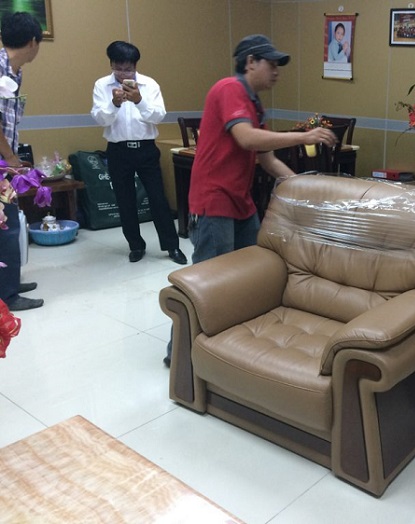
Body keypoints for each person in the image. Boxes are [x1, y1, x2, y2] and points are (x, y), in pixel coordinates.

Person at [162, 35, 337, 367]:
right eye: (271, 64)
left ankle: (228, 344)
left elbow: (266, 158)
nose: (277, 71)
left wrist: (301, 188)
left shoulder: (253, 103)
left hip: (240, 203)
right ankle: (179, 353)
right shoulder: (229, 88)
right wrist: (303, 136)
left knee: (250, 276)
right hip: (214, 201)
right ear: (250, 62)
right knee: (207, 281)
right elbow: (245, 138)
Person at [91, 41, 186, 265]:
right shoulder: (101, 85)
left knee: (158, 199)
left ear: (135, 65)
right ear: (111, 64)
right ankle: (136, 246)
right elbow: (100, 119)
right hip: (118, 151)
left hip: (146, 149)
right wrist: (114, 104)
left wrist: (139, 101)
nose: (123, 74)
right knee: (125, 201)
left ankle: (172, 247)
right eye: (118, 68)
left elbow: (158, 116)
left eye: (128, 69)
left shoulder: (149, 84)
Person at [0, 12, 44, 311]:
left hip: (6, 157)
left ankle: (10, 282)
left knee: (9, 221)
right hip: (3, 159)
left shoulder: (14, 71)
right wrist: (10, 157)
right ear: (32, 42)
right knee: (8, 225)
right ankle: (8, 295)